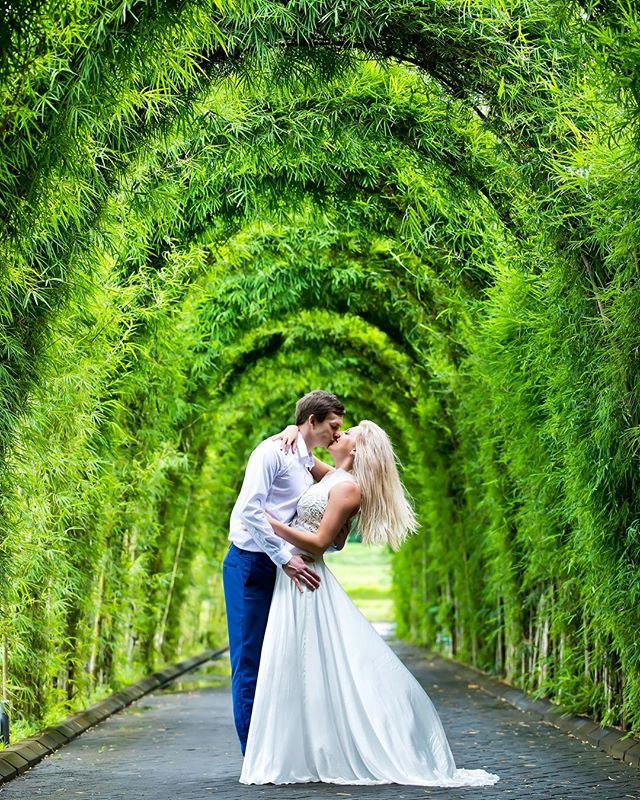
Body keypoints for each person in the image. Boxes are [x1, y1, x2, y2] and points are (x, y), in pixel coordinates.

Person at [239, 420, 500, 787]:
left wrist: (267, 522)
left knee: (307, 664)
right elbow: (301, 452)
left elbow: (318, 544)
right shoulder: (333, 476)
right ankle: (301, 750)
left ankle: (320, 751)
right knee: (296, 665)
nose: (338, 435)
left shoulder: (349, 489)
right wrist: (290, 428)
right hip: (293, 575)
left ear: (357, 450)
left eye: (346, 434)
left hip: (305, 575)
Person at [222, 389, 346, 755]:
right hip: (250, 564)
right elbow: (249, 510)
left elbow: (342, 479)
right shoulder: (271, 452)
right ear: (312, 421)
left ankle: (274, 749)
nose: (336, 435)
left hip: (280, 568)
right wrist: (284, 558)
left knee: (278, 660)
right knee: (249, 661)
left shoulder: (306, 460)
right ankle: (252, 757)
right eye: (333, 427)